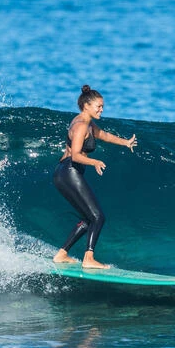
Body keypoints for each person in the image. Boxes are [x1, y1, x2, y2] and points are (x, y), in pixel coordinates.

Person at [52, 85, 137, 269]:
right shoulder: (81, 126)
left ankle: (62, 254)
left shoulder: (88, 124)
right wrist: (95, 162)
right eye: (99, 106)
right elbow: (75, 155)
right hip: (69, 171)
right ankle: (88, 258)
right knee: (98, 217)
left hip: (64, 172)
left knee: (88, 218)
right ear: (87, 106)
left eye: (102, 106)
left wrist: (125, 142)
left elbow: (103, 135)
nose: (102, 109)